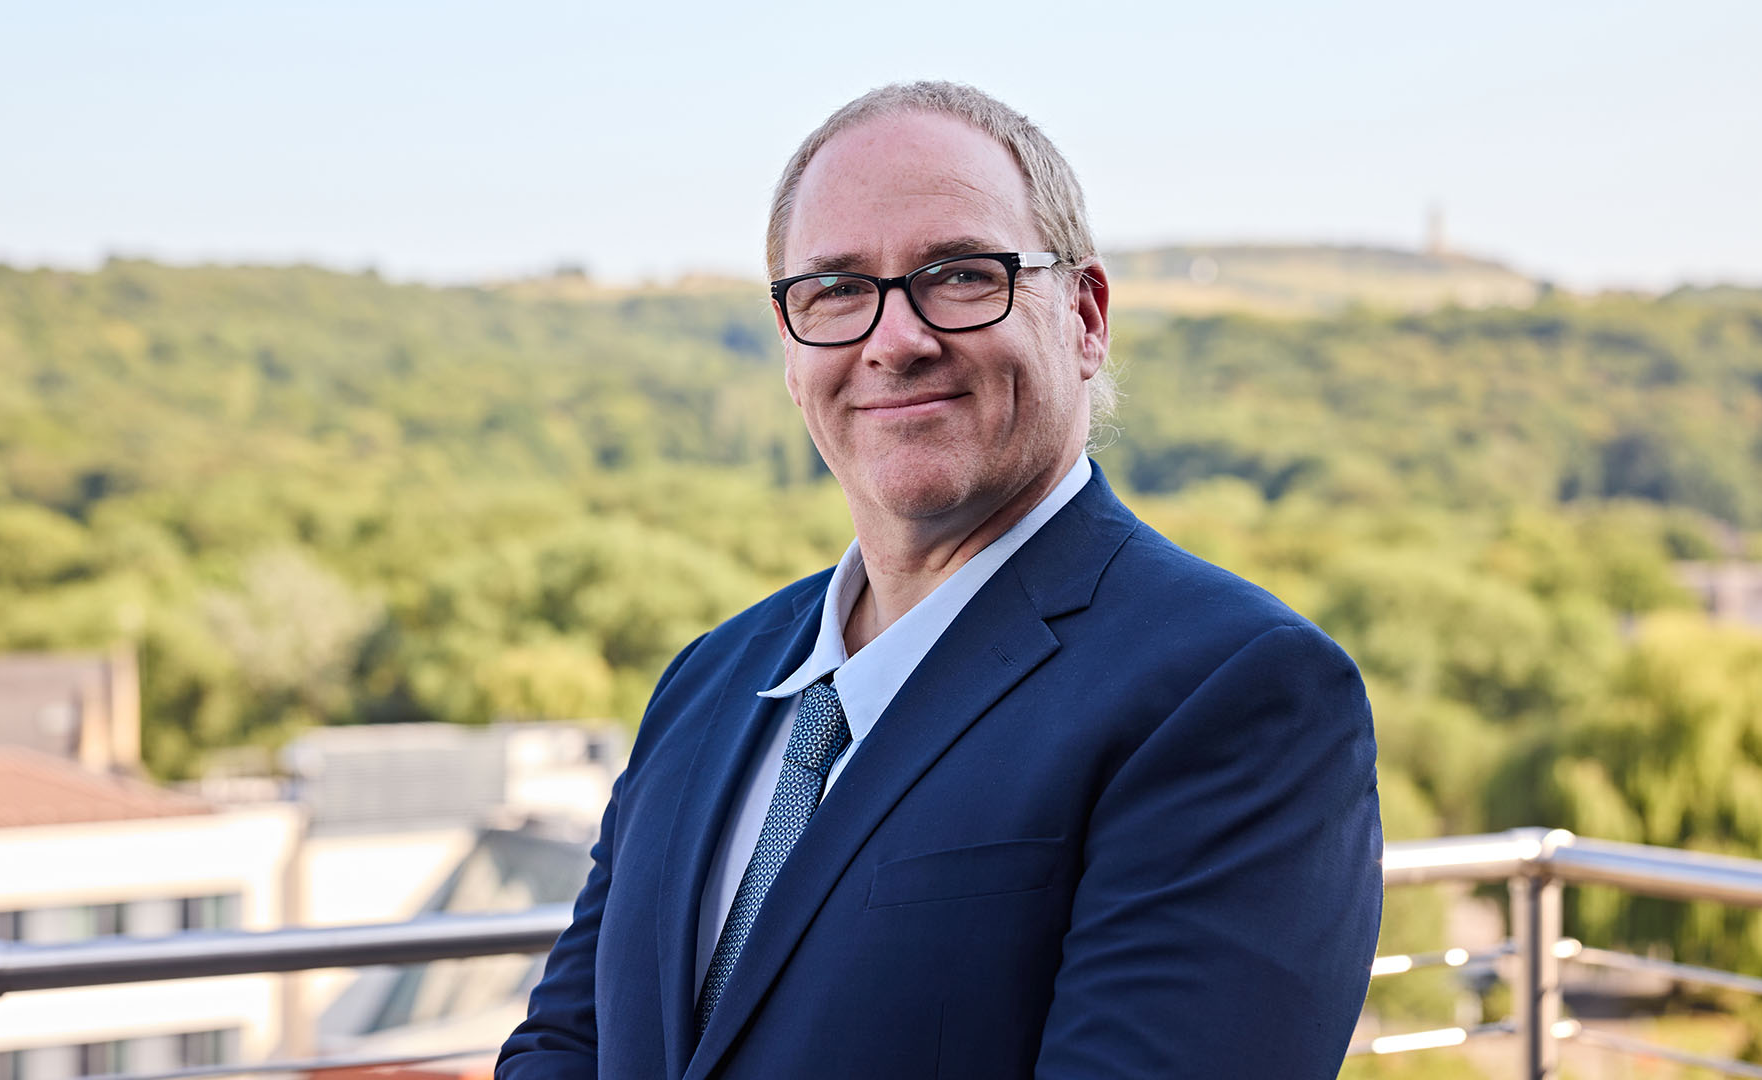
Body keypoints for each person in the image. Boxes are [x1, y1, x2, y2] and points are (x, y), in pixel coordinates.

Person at [496, 81, 1381, 1080]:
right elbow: (567, 1044)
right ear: (791, 348)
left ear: (1086, 318)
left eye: (959, 274)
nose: (896, 339)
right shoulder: (706, 680)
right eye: (834, 288)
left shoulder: (1236, 692)